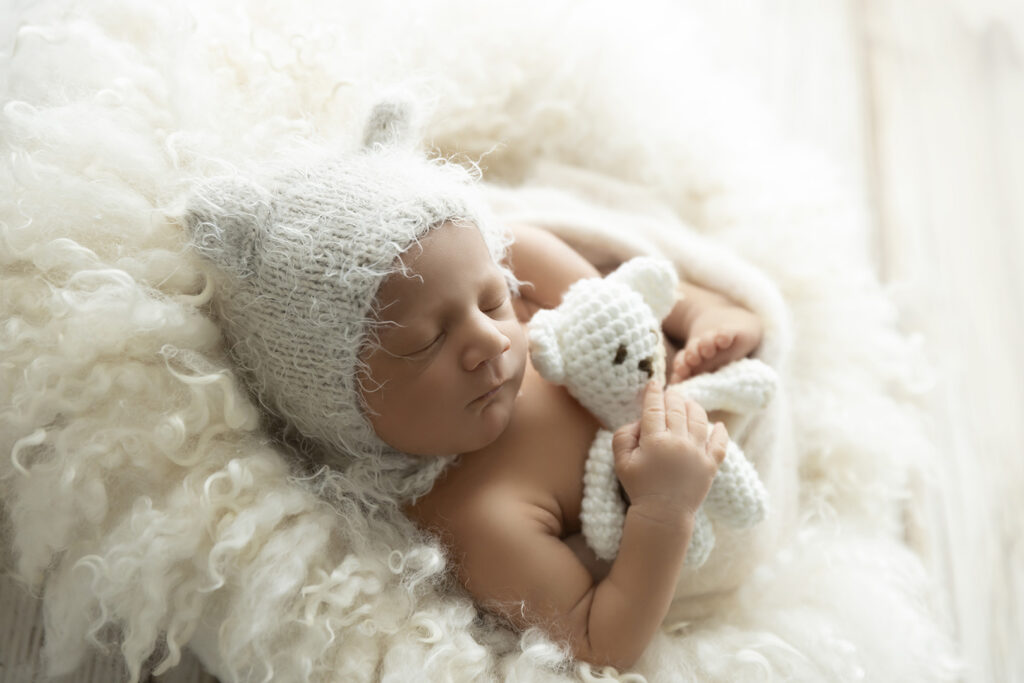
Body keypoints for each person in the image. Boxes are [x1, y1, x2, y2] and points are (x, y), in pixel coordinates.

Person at [184, 100, 763, 671]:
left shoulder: (515, 279)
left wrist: (693, 318)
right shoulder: (482, 517)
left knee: (541, 249)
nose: (490, 339)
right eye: (426, 342)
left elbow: (625, 296)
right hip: (682, 476)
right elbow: (601, 640)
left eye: (491, 298)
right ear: (344, 405)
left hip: (657, 363)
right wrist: (665, 510)